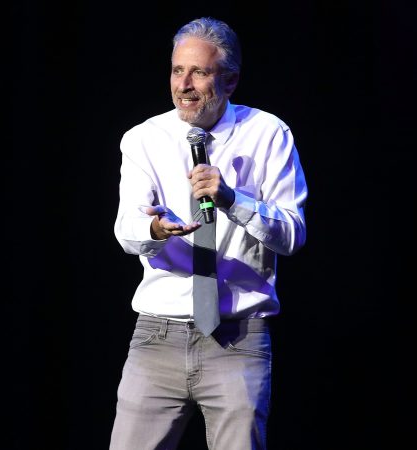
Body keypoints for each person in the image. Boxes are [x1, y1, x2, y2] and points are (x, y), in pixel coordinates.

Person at [109, 16, 308, 450]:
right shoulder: (144, 138)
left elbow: (292, 235)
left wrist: (233, 201)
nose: (185, 85)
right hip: (157, 336)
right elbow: (127, 229)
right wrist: (156, 229)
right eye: (178, 70)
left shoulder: (268, 134)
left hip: (239, 338)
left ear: (230, 81)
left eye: (200, 72)